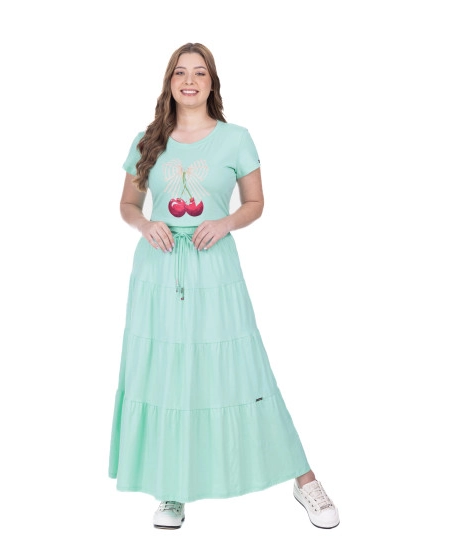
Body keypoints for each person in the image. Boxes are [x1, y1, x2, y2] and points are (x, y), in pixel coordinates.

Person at [108, 42, 339, 530]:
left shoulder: (236, 138)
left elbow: (255, 203)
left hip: (214, 267)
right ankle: (172, 487)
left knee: (243, 368)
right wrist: (145, 224)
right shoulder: (147, 140)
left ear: (212, 82)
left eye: (199, 72)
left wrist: (226, 222)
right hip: (158, 271)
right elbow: (128, 205)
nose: (189, 80)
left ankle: (304, 479)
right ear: (169, 83)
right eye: (180, 72)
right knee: (167, 372)